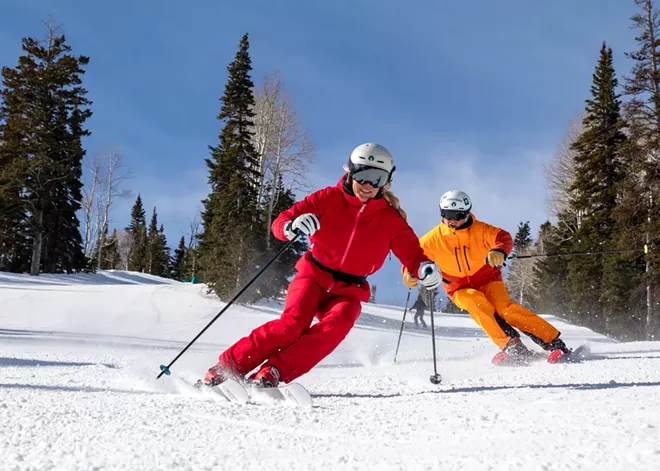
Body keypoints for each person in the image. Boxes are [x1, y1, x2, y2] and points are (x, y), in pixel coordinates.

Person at [202, 143, 442, 388]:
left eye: (376, 178)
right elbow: (282, 222)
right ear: (350, 171)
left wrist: (424, 269)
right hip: (313, 276)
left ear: (386, 181)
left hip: (349, 289)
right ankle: (228, 367)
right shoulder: (327, 198)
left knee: (338, 325)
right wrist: (292, 226)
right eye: (362, 175)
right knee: (291, 325)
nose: (368, 185)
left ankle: (273, 371)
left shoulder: (391, 220)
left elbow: (414, 257)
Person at [402, 189, 574, 365]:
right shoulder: (433, 239)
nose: (452, 220)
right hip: (458, 288)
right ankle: (512, 346)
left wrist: (498, 250)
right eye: (447, 214)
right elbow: (413, 258)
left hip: (488, 280)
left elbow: (503, 238)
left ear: (467, 213)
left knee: (505, 309)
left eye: (458, 214)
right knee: (475, 302)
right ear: (441, 213)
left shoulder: (481, 230)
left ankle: (554, 343)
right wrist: (409, 274)